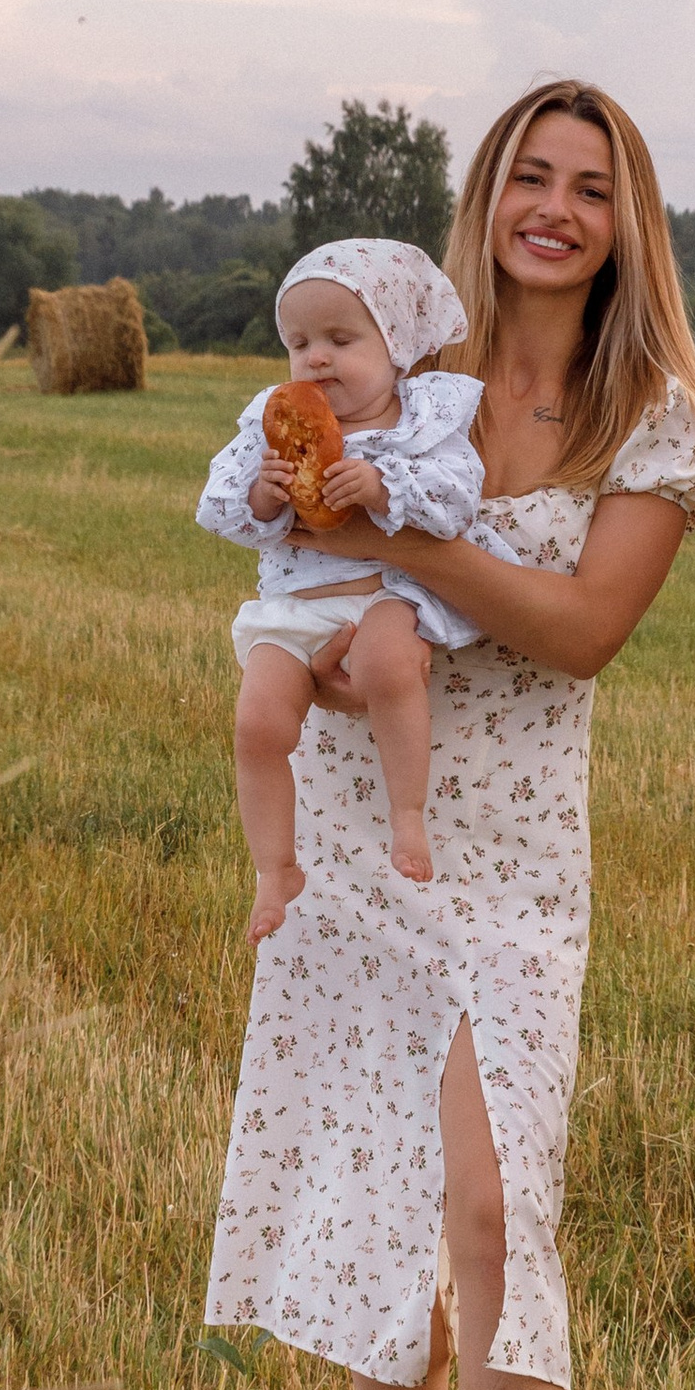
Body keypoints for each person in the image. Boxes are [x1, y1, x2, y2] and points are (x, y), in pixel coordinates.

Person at [202, 85, 695, 1390]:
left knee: (496, 1212)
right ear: (485, 201)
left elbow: (579, 632)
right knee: (387, 1191)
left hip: (512, 860)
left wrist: (394, 529)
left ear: (625, 217)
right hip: (368, 834)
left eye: (587, 186)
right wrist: (331, 564)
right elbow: (302, 559)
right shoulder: (407, 380)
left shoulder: (658, 415)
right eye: (525, 178)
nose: (550, 208)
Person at [195, 243, 486, 938]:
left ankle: (407, 815)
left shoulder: (420, 421)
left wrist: (385, 488)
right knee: (258, 723)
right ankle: (275, 868)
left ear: (397, 347)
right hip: (296, 607)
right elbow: (218, 505)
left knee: (390, 664)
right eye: (298, 343)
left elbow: (458, 500)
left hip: (387, 591)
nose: (315, 358)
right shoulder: (272, 425)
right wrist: (264, 497)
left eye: (340, 339)